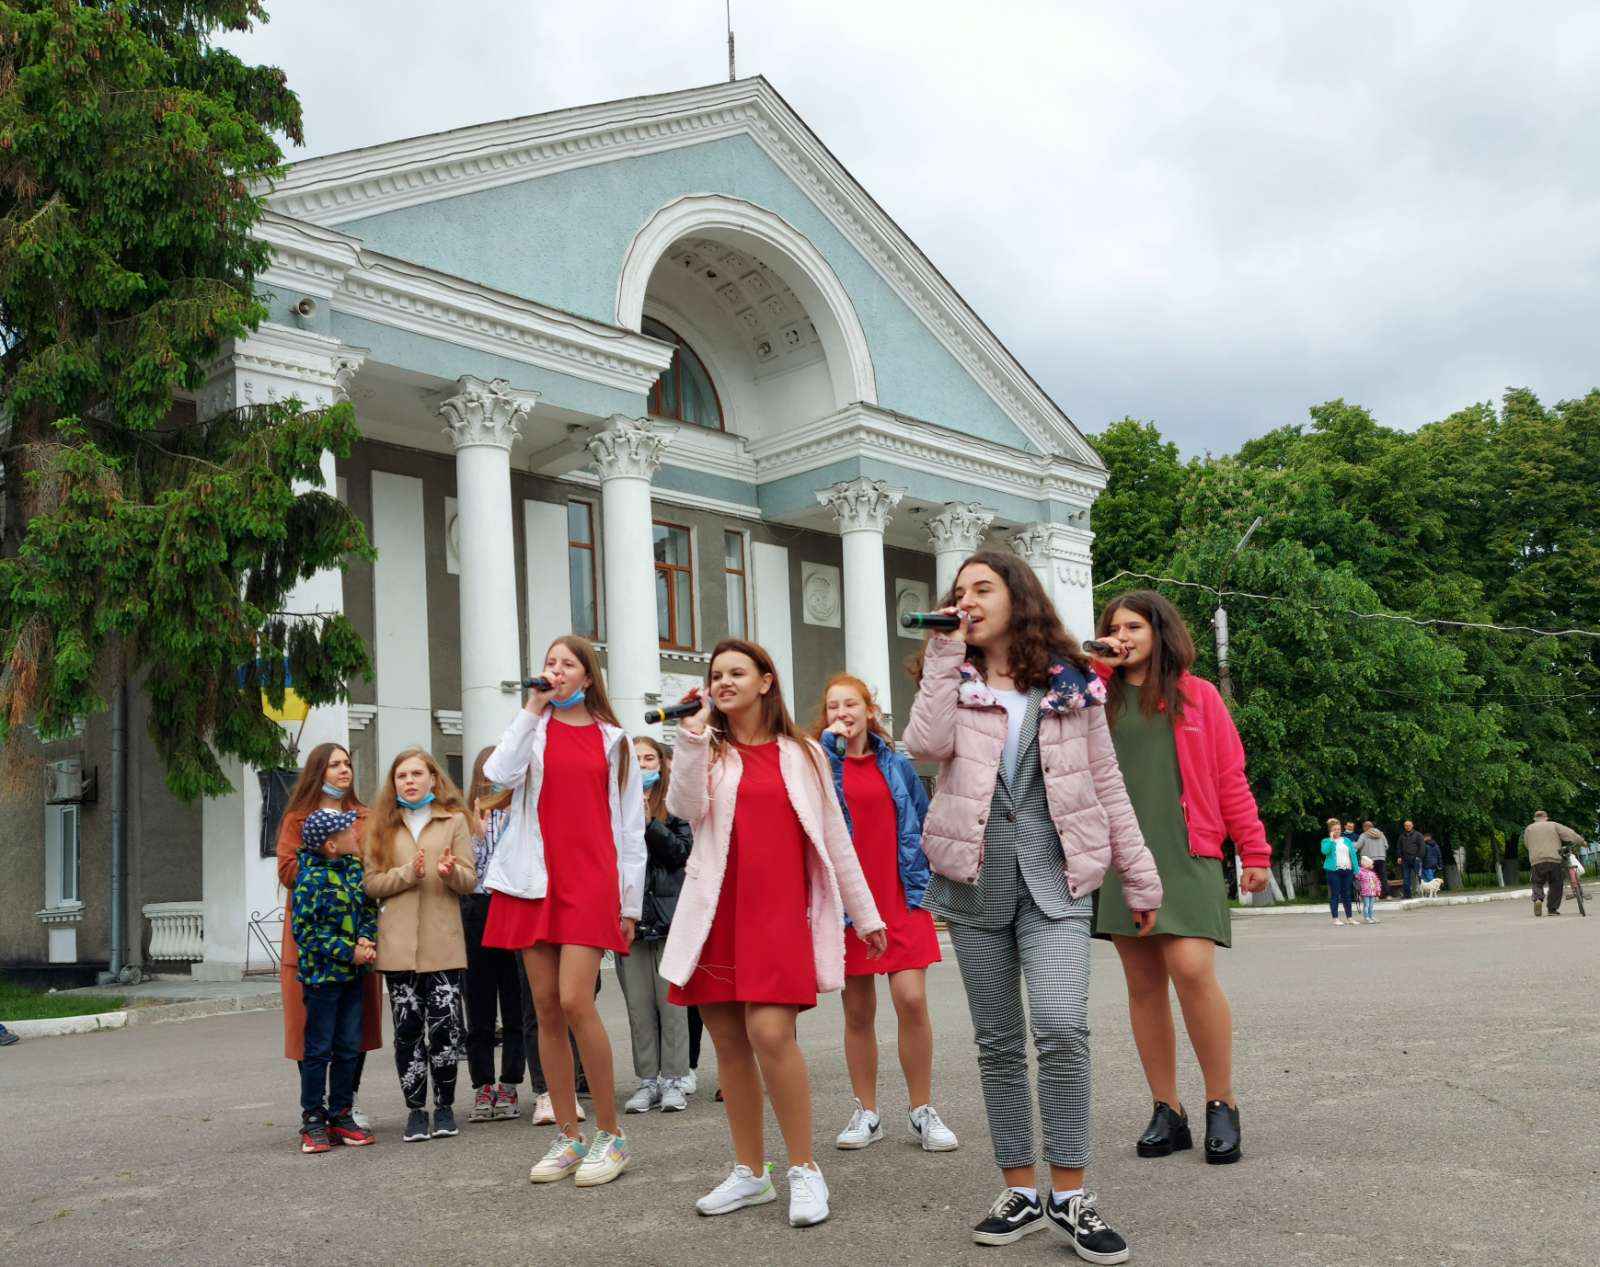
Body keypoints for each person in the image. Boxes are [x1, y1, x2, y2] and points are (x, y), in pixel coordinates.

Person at [904, 551, 1159, 1261]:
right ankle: (1018, 1188)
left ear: (1018, 597)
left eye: (982, 588)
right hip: (975, 879)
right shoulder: (950, 679)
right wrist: (943, 652)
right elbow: (924, 745)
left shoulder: (1073, 683)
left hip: (1058, 877)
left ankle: (1071, 1196)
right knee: (998, 1042)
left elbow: (1106, 783)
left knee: (1061, 1028)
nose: (968, 599)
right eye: (959, 591)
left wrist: (1139, 876)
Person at [662, 639, 887, 1229]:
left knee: (769, 1033)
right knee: (729, 1044)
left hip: (779, 915)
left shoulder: (803, 754)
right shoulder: (708, 751)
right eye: (717, 674)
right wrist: (690, 739)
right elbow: (683, 809)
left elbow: (834, 837)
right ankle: (749, 1172)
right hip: (717, 914)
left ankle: (804, 1168)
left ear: (766, 681)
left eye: (737, 672)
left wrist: (866, 915)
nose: (723, 682)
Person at [1089, 589, 1271, 1170]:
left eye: (1134, 627)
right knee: (1143, 985)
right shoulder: (1096, 696)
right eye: (1115, 627)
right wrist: (1099, 667)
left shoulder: (1199, 696)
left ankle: (1222, 1101)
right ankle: (1167, 1110)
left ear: (1160, 632)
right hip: (1120, 856)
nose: (1122, 636)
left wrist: (1254, 848)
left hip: (1188, 849)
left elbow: (1230, 776)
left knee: (1191, 969)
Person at [480, 635, 644, 1188]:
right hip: (534, 879)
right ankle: (569, 1135)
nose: (555, 670)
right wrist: (532, 707)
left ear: (588, 677)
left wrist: (630, 901)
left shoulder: (614, 740)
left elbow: (630, 829)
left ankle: (611, 1134)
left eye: (566, 664)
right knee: (546, 1007)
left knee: (576, 1000)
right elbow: (499, 774)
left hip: (591, 882)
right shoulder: (534, 727)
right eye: (549, 663)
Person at [813, 674, 956, 1154]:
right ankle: (866, 1111)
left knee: (911, 999)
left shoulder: (895, 764)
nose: (842, 713)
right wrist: (830, 752)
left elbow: (923, 819)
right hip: (849, 904)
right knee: (858, 1010)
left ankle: (922, 1109)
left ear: (869, 710)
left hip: (900, 894)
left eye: (850, 704)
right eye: (833, 706)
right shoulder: (818, 765)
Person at [363, 747, 476, 1143]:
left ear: (433, 778)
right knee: (407, 1033)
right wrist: (407, 874)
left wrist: (449, 873)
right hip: (397, 947)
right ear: (393, 783)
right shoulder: (381, 825)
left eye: (416, 774)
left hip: (443, 944)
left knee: (445, 1031)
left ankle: (444, 1107)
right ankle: (415, 1111)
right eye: (401, 776)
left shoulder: (454, 821)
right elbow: (371, 883)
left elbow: (470, 880)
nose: (409, 781)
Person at [274, 743, 385, 1130]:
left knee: (355, 1027)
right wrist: (326, 860)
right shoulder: (298, 819)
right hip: (315, 942)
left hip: (358, 938)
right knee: (312, 1028)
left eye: (347, 763)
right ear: (318, 772)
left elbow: (376, 864)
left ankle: (346, 1102)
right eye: (335, 764)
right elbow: (287, 871)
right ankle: (315, 1109)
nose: (344, 770)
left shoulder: (365, 817)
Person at [290, 809, 379, 1153]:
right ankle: (313, 1119)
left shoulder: (354, 869)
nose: (356, 833)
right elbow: (306, 932)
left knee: (348, 1047)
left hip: (353, 977)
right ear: (330, 845)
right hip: (322, 980)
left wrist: (366, 938)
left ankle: (342, 1114)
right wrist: (347, 951)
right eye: (348, 830)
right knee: (318, 1048)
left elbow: (368, 909)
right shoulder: (310, 879)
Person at [617, 735, 694, 1115]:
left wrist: (651, 824)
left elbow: (683, 853)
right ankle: (647, 1080)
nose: (643, 765)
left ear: (661, 764)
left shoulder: (675, 804)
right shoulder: (616, 803)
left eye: (649, 758)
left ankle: (675, 1079)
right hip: (630, 919)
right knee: (639, 1006)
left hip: (669, 918)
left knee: (672, 1005)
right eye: (636, 759)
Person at [461, 746, 525, 1123]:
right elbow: (469, 872)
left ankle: (510, 1083)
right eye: (486, 776)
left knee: (515, 1001)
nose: (493, 783)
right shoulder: (466, 817)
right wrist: (476, 835)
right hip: (476, 910)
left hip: (511, 908)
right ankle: (483, 1085)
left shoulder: (521, 812)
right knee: (479, 1004)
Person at [1524, 810, 1585, 917]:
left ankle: (1538, 899)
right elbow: (1569, 834)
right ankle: (1552, 909)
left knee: (1537, 882)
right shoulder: (1553, 825)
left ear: (1535, 819)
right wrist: (1582, 841)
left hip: (1537, 860)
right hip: (1554, 859)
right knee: (1556, 883)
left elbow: (1527, 844)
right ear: (1546, 818)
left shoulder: (1529, 829)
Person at [1322, 818, 1358, 925]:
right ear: (1330, 830)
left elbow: (1353, 855)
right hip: (1333, 871)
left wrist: (1356, 870)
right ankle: (1335, 918)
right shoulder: (1326, 841)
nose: (1337, 831)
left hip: (1347, 870)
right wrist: (1331, 840)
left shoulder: (1346, 840)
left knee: (1347, 894)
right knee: (1335, 894)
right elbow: (1325, 851)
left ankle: (1349, 918)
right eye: (1335, 829)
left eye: (1338, 829)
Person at [1357, 821, 1390, 898]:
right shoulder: (1381, 834)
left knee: (1371, 877)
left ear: (1365, 827)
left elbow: (1358, 846)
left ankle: (1374, 895)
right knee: (1383, 876)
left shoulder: (1364, 835)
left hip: (1369, 860)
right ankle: (1386, 894)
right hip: (1381, 858)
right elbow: (1386, 846)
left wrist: (1351, 844)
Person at [1397, 821, 1425, 899]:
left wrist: (1419, 857)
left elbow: (1422, 847)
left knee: (1419, 876)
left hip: (1416, 858)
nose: (1407, 827)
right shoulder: (1402, 836)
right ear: (1404, 826)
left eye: (1409, 825)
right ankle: (1407, 895)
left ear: (1412, 825)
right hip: (1405, 859)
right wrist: (1399, 856)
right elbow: (1399, 847)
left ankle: (1424, 893)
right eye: (1406, 825)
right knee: (1406, 877)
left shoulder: (1418, 835)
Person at [1356, 857, 1382, 925]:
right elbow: (1357, 877)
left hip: (1372, 892)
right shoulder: (1360, 872)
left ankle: (1371, 916)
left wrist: (1378, 890)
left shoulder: (1372, 873)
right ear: (1366, 864)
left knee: (1371, 905)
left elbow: (1377, 882)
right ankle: (1366, 917)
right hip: (1365, 892)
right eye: (1371, 864)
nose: (1372, 865)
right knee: (1366, 905)